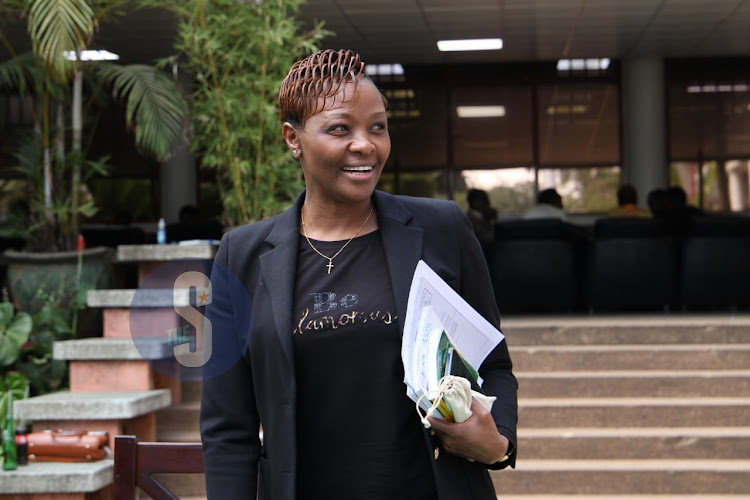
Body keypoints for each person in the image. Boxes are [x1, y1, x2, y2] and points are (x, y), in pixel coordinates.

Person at [200, 49, 518, 500]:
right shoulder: (242, 256)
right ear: (293, 138)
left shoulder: (442, 229)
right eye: (339, 128)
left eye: (377, 127)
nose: (365, 144)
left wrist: (498, 441)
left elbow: (493, 365)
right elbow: (226, 426)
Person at [466, 188, 497, 254]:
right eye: (485, 201)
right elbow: (488, 239)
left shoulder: (474, 218)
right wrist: (489, 221)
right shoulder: (473, 221)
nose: (488, 204)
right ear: (476, 203)